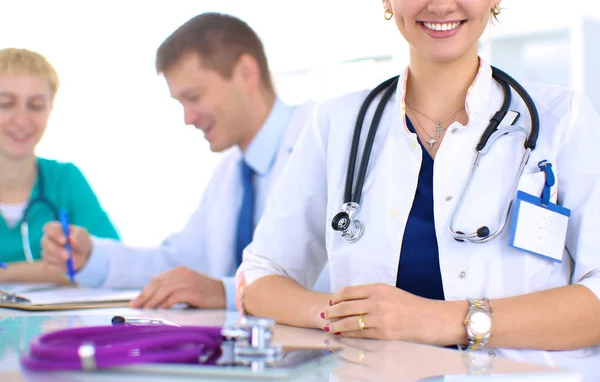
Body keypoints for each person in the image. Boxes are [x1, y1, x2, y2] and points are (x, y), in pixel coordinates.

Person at [237, 0, 600, 367]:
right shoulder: (336, 124)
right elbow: (259, 277)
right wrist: (353, 318)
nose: (441, 5)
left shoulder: (563, 120)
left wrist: (437, 320)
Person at [40, 13, 328, 310]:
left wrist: (223, 292)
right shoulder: (232, 172)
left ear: (245, 72)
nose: (188, 119)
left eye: (193, 97)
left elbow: (334, 278)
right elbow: (180, 262)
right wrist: (91, 257)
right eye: (181, 104)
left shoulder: (326, 141)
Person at [0, 48, 120, 283]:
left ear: (50, 110)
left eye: (35, 105)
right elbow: (81, 270)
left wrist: (7, 274)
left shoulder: (66, 180)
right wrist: (55, 271)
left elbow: (110, 264)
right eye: (5, 104)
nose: (22, 120)